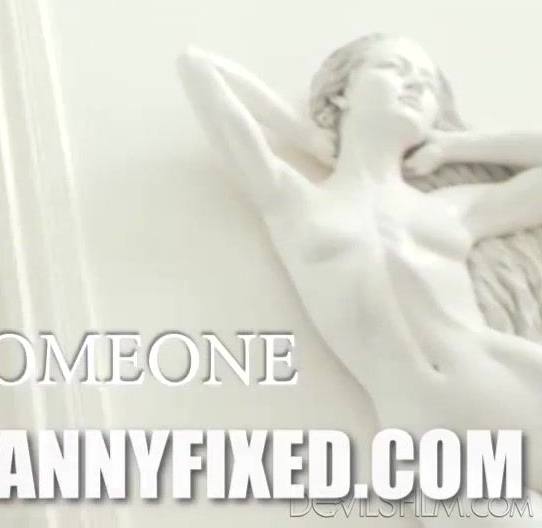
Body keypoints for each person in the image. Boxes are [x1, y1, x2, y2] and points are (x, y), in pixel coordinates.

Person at [177, 35, 542, 496]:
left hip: (512, 379)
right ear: (342, 92)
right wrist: (304, 134)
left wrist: (455, 146)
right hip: (425, 431)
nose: (414, 86)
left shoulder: (452, 208)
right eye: (395, 68)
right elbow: (198, 67)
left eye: (427, 84)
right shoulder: (295, 203)